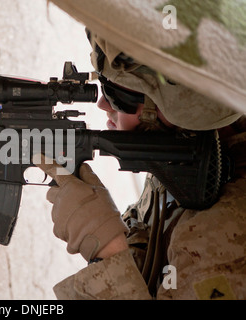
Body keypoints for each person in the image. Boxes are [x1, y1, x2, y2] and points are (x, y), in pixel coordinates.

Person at [35, 32, 246, 300]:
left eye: (117, 95)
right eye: (103, 86)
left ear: (178, 110)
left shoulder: (226, 239)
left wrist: (108, 250)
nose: (102, 104)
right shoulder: (192, 147)